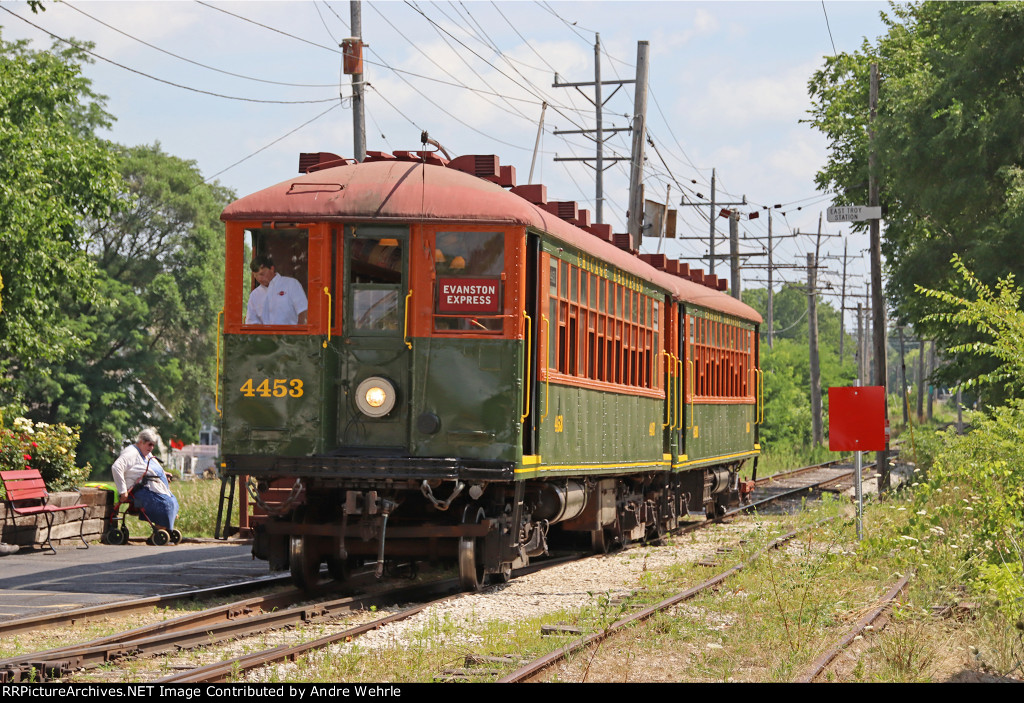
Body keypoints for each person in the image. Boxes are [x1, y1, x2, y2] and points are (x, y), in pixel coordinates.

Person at [111, 429, 180, 534]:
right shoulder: (131, 453)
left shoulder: (147, 453)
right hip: (138, 490)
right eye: (149, 444)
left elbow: (152, 468)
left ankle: (162, 530)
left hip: (152, 488)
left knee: (172, 501)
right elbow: (116, 467)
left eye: (153, 445)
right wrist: (122, 490)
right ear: (141, 442)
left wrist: (164, 474)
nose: (151, 448)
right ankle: (160, 531)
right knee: (165, 504)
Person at [245, 255, 308, 325]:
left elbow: (303, 311)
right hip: (265, 335)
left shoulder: (291, 284)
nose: (259, 279)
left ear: (272, 269)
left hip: (290, 335)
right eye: (255, 276)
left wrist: (298, 333)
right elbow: (251, 322)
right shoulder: (254, 295)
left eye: (262, 274)